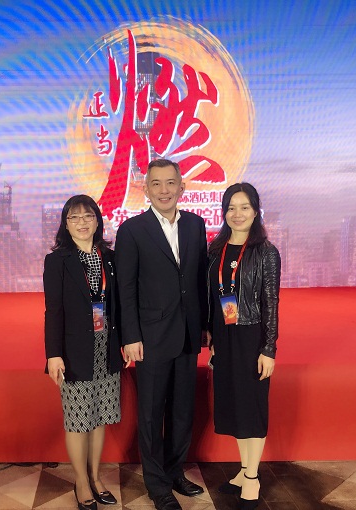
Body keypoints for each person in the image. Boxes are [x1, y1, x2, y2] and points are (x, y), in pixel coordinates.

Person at [115, 159, 208, 510]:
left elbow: (199, 280)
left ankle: (174, 471)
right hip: (150, 337)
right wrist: (130, 336)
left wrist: (205, 326)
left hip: (188, 333)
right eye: (156, 183)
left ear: (182, 187)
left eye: (171, 183)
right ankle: (157, 485)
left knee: (183, 411)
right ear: (146, 189)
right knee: (152, 414)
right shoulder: (132, 230)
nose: (164, 190)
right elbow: (125, 289)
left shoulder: (196, 225)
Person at [43, 195, 123, 510]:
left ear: (97, 220)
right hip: (74, 350)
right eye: (74, 217)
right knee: (78, 419)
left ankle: (95, 476)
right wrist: (53, 354)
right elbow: (53, 311)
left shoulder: (110, 258)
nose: (82, 222)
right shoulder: (57, 261)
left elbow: (119, 304)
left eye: (88, 216)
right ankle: (80, 481)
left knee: (100, 416)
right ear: (65, 224)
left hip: (107, 347)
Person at [205, 183, 281, 509]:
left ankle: (252, 477)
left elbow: (271, 303)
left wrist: (269, 348)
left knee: (252, 407)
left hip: (252, 337)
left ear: (255, 211)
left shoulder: (266, 252)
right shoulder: (215, 250)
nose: (237, 214)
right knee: (235, 406)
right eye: (231, 208)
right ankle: (244, 469)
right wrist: (211, 337)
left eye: (244, 207)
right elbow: (212, 297)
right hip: (224, 337)